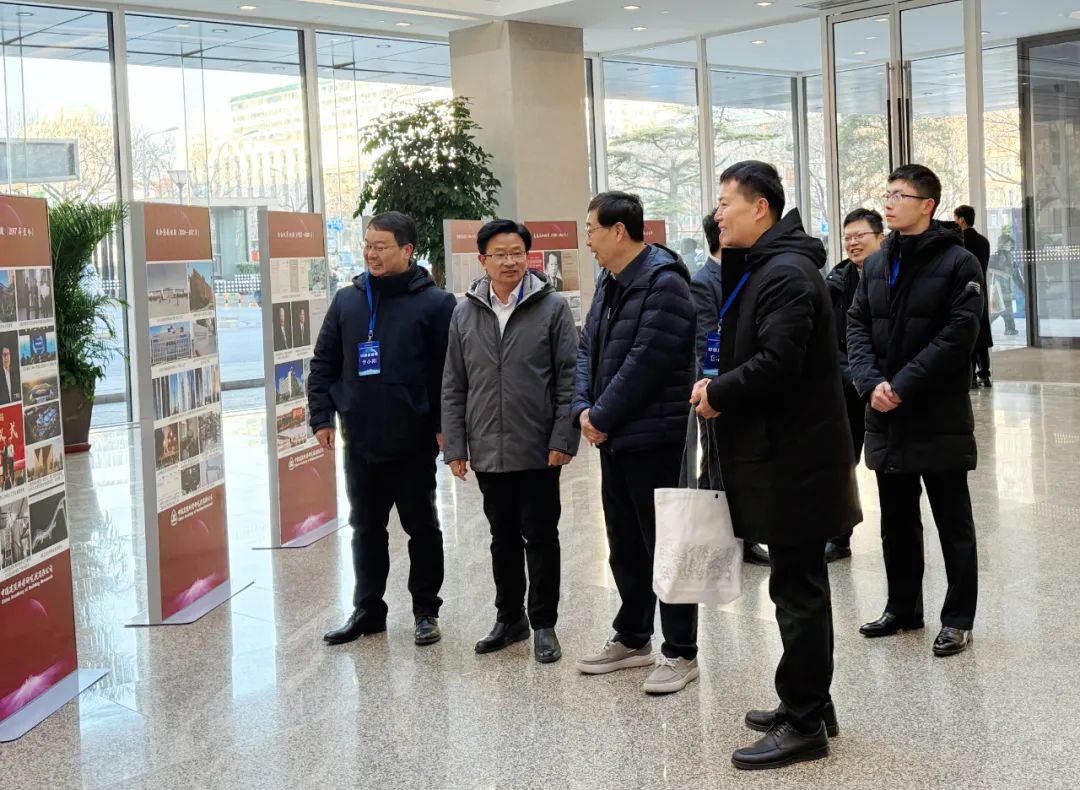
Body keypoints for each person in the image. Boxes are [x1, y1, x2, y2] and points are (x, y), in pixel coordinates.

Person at [691, 161, 861, 770]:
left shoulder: (785, 272)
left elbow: (777, 364)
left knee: (797, 589)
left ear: (759, 207)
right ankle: (811, 702)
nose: (718, 214)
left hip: (796, 460)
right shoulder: (766, 266)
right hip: (785, 455)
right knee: (799, 583)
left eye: (726, 202)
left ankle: (805, 723)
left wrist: (718, 392)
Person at [848, 164, 983, 658]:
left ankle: (958, 619)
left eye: (899, 195)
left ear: (927, 205)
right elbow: (857, 324)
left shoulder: (959, 262)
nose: (889, 202)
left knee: (952, 520)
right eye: (887, 193)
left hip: (936, 413)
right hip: (886, 414)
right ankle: (903, 608)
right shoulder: (878, 263)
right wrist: (870, 383)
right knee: (897, 521)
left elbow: (958, 336)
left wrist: (902, 385)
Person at [571, 191, 700, 694]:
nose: (588, 241)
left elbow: (647, 362)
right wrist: (583, 409)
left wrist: (599, 415)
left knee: (666, 545)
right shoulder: (610, 280)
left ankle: (681, 651)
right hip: (614, 438)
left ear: (619, 231)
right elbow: (587, 348)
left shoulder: (665, 284)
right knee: (625, 543)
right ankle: (632, 636)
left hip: (655, 439)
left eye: (591, 230)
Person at [309, 211, 456, 648]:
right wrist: (322, 417)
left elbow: (448, 374)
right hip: (361, 439)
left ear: (408, 251)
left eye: (381, 246)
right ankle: (368, 609)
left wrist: (443, 426)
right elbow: (324, 363)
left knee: (421, 527)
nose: (371, 254)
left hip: (413, 440)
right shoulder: (348, 300)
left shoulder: (436, 304)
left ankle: (426, 611)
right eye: (368, 245)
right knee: (365, 528)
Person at [442, 219, 580, 664]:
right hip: (487, 446)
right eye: (500, 254)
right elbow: (454, 384)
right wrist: (456, 447)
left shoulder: (552, 307)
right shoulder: (465, 312)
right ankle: (509, 619)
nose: (510, 262)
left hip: (538, 446)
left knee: (540, 535)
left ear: (527, 256)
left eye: (517, 253)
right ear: (482, 260)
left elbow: (569, 378)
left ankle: (544, 624)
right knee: (501, 537)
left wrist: (564, 437)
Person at [689, 213, 770, 566]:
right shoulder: (704, 282)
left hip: (743, 385)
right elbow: (709, 342)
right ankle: (723, 539)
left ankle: (742, 534)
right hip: (717, 390)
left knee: (739, 463)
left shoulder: (745, 275)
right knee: (717, 464)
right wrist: (718, 388)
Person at [822, 208, 884, 563]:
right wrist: (854, 375)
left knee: (891, 466)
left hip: (887, 387)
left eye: (860, 236)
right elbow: (829, 338)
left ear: (880, 238)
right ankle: (838, 535)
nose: (853, 243)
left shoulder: (894, 275)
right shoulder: (837, 279)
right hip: (848, 388)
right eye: (847, 238)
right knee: (843, 460)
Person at [954, 205, 993, 387]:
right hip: (981, 291)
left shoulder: (959, 242)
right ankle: (984, 374)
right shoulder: (984, 241)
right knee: (982, 335)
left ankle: (971, 378)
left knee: (968, 335)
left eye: (955, 218)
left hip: (964, 293)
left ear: (961, 220)